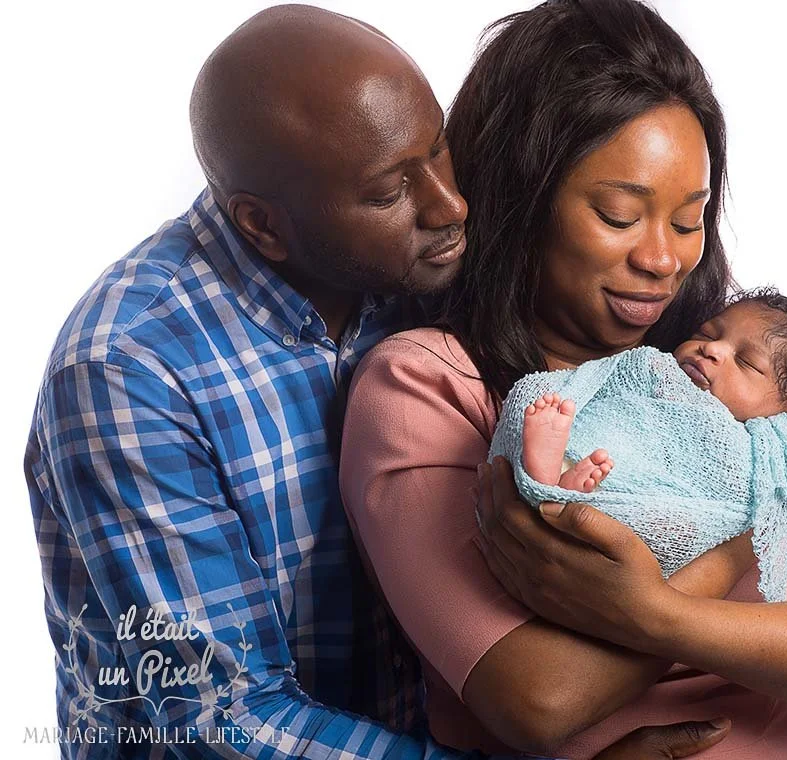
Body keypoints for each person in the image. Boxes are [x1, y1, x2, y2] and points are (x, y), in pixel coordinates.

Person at [25, 5, 730, 759]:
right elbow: (220, 719)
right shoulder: (129, 371)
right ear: (263, 225)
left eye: (440, 151)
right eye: (390, 190)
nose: (451, 204)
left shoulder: (431, 266)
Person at [339, 1, 787, 759]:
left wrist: (652, 612)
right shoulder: (431, 386)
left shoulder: (751, 368)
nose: (663, 260)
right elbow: (537, 696)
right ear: (520, 201)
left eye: (689, 220)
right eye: (619, 215)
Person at [499, 288, 787, 604]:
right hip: (601, 450)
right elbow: (618, 391)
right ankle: (554, 477)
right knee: (587, 442)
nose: (712, 348)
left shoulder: (765, 446)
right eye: (706, 334)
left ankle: (562, 488)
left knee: (672, 525)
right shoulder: (657, 370)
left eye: (746, 362)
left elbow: (740, 495)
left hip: (651, 520)